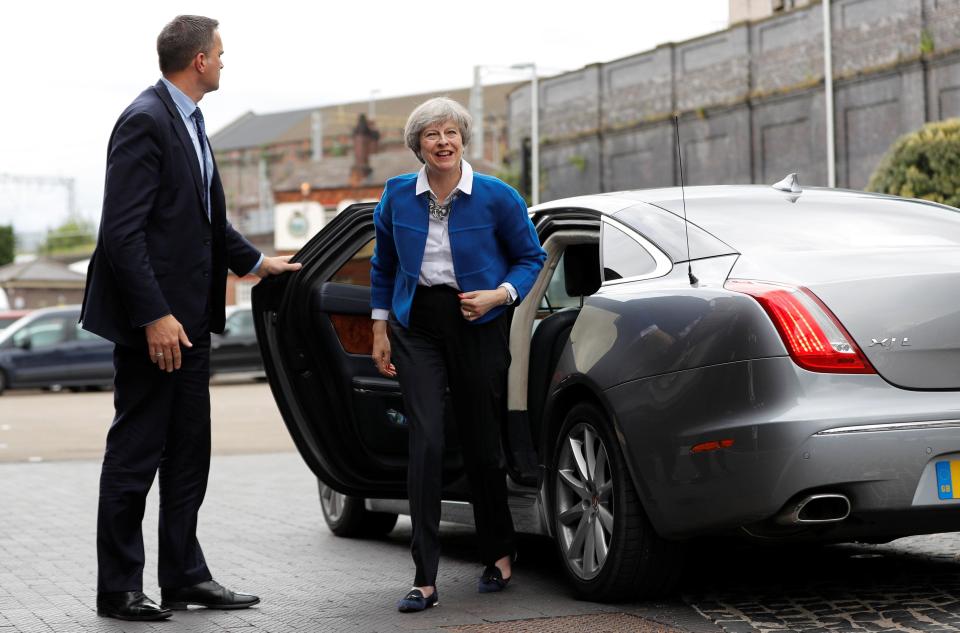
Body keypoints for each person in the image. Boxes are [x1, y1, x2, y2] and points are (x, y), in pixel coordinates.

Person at [80, 15, 301, 622]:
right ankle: (119, 589)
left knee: (188, 453)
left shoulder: (192, 121)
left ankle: (183, 577)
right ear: (199, 60)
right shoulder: (146, 120)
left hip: (193, 324)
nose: (225, 61)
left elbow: (201, 217)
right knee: (136, 454)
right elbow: (121, 235)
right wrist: (154, 316)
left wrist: (257, 262)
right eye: (221, 54)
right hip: (156, 329)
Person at [370, 97, 546, 613]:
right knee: (425, 440)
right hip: (416, 324)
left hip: (479, 321)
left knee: (480, 442)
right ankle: (424, 575)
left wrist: (501, 295)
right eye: (432, 134)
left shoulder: (497, 196)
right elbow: (383, 265)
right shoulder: (397, 194)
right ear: (417, 145)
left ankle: (499, 550)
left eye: (451, 132)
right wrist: (380, 327)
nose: (443, 141)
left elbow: (530, 257)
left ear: (463, 139)